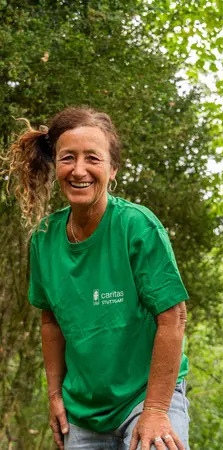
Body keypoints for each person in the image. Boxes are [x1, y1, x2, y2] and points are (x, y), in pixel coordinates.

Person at [4, 106, 190, 450]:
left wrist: (154, 410)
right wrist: (55, 395)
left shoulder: (137, 227)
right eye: (67, 158)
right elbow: (51, 322)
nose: (79, 170)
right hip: (83, 413)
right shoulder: (44, 239)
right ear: (55, 165)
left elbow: (173, 318)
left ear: (112, 169)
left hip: (145, 397)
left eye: (93, 158)